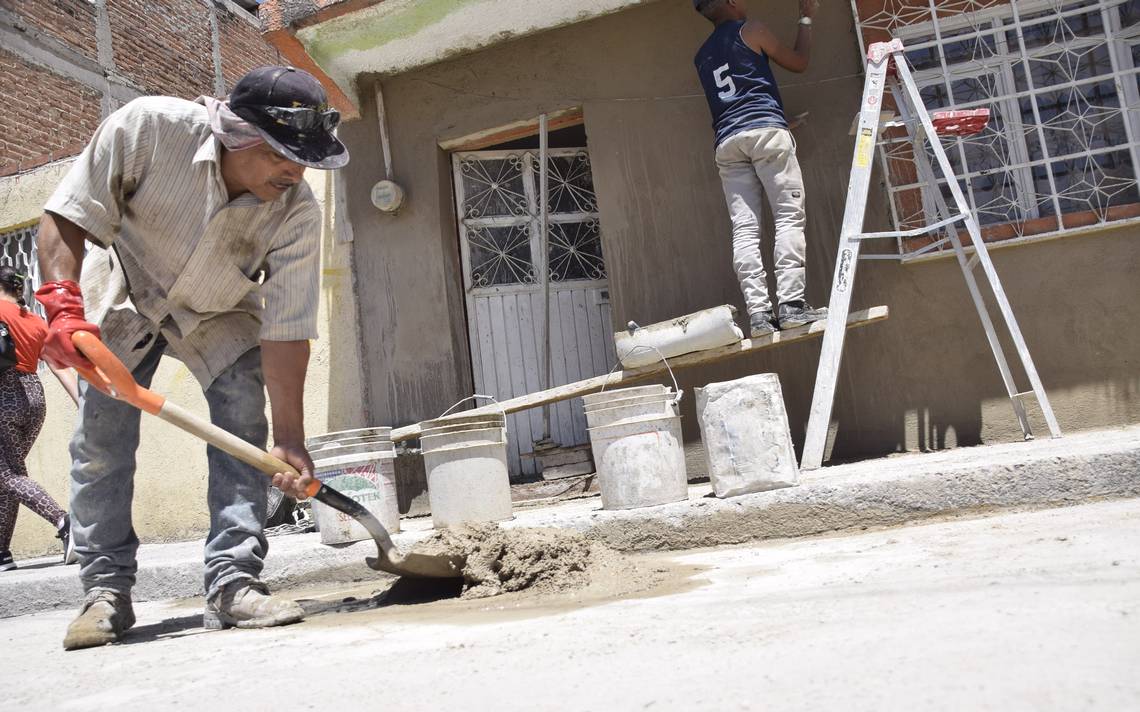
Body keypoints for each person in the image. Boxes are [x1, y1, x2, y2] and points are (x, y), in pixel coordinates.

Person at [34, 65, 348, 650]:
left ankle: (233, 584)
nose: (295, 171)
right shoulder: (147, 128)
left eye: (303, 158)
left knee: (244, 430)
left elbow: (285, 329)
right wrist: (61, 307)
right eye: (283, 154)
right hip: (127, 293)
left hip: (219, 309)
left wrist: (290, 436)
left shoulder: (297, 210)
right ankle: (105, 592)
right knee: (100, 443)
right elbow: (67, 215)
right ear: (238, 134)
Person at [693, 0, 828, 337]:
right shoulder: (751, 30)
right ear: (730, 3)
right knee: (787, 216)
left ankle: (759, 315)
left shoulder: (703, 56)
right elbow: (799, 63)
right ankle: (793, 305)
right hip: (766, 135)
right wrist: (806, 18)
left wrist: (778, 122)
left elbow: (736, 100)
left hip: (728, 143)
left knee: (745, 229)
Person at [0, 266, 80, 571]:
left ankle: (64, 522)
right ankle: (2, 553)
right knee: (8, 475)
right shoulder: (35, 321)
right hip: (34, 396)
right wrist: (82, 403)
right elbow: (60, 367)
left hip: (4, 394)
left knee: (8, 475)